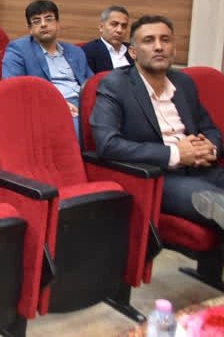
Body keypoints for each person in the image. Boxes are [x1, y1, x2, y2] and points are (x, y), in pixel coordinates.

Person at [91, 15, 224, 227]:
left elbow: (210, 129)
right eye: (148, 40)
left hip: (203, 169)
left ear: (174, 49)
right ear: (133, 52)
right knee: (218, 205)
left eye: (165, 40)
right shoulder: (115, 85)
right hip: (161, 178)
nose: (159, 46)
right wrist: (176, 153)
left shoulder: (184, 82)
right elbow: (107, 144)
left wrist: (210, 149)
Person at [2, 0, 93, 135]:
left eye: (49, 19)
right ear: (30, 29)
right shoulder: (18, 50)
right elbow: (12, 89)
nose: (43, 24)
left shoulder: (75, 52)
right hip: (48, 107)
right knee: (78, 129)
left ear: (58, 24)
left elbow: (92, 84)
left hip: (83, 104)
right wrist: (56, 104)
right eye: (36, 21)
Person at [82, 5, 134, 73]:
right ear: (101, 27)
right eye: (114, 24)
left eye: (124, 26)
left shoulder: (134, 50)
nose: (119, 30)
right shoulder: (88, 52)